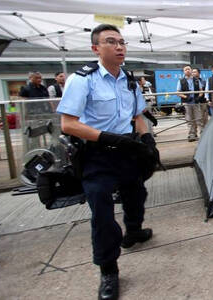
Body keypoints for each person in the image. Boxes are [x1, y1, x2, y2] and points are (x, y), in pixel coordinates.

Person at [57, 24, 157, 300]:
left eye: (122, 42)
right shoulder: (82, 79)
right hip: (96, 153)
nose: (119, 47)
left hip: (128, 149)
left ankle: (134, 231)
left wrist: (147, 142)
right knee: (101, 210)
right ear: (96, 49)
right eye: (111, 42)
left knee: (136, 193)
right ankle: (108, 270)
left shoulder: (128, 79)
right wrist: (106, 138)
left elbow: (138, 116)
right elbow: (68, 124)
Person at [176, 66, 207, 142]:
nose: (187, 71)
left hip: (196, 102)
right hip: (187, 103)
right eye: (185, 70)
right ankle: (192, 134)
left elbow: (201, 90)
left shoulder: (196, 80)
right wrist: (186, 97)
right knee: (189, 119)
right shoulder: (181, 81)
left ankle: (202, 134)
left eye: (188, 69)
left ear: (191, 70)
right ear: (184, 72)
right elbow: (178, 92)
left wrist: (199, 97)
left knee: (199, 118)